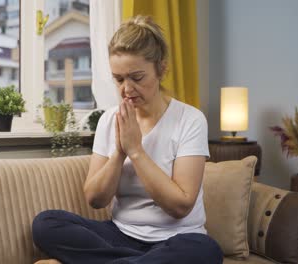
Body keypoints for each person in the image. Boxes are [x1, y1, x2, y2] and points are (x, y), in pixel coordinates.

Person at [32, 15, 223, 264]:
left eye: (137, 77)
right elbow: (95, 199)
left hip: (178, 239)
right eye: (119, 79)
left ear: (161, 69)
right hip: (120, 235)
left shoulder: (190, 119)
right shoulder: (110, 120)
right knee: (46, 224)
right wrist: (119, 153)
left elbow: (180, 206)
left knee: (206, 251)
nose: (127, 89)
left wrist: (136, 151)